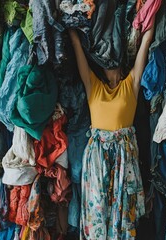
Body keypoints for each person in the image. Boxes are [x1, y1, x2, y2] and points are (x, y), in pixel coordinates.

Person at [68, 20, 155, 239]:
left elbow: (146, 41)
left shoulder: (131, 84)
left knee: (123, 212)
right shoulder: (93, 85)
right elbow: (79, 52)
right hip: (97, 157)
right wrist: (73, 33)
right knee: (97, 211)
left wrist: (152, 15)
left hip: (124, 157)